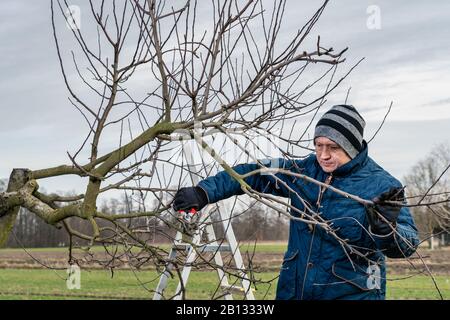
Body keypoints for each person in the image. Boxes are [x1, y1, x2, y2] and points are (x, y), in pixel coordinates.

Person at [173, 104, 419, 300]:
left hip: (352, 293)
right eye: (318, 145)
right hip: (295, 291)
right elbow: (253, 172)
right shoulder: (303, 171)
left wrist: (387, 230)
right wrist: (205, 192)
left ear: (352, 147)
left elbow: (408, 244)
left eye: (332, 147)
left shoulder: (383, 186)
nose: (323, 155)